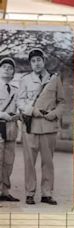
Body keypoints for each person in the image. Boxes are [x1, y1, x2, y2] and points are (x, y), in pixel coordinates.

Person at [16, 48, 65, 205]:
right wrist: (31, 110)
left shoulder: (54, 79)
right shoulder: (25, 80)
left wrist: (55, 113)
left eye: (39, 60)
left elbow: (61, 101)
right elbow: (20, 101)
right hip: (30, 126)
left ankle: (46, 193)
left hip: (49, 126)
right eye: (33, 61)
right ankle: (29, 193)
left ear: (44, 61)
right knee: (29, 162)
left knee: (48, 162)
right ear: (30, 64)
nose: (36, 63)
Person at [0, 57, 20, 202]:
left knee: (9, 161)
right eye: (4, 67)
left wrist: (18, 114)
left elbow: (21, 106)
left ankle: (5, 191)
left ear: (13, 73)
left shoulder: (16, 90)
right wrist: (3, 114)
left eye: (10, 68)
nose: (7, 69)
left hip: (11, 128)